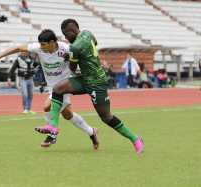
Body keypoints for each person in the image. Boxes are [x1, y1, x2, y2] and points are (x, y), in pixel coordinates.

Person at [34, 19, 144, 154]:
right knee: (58, 89)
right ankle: (53, 127)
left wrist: (68, 57)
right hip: (84, 78)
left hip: (97, 82)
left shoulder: (74, 47)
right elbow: (94, 44)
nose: (66, 39)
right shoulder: (87, 33)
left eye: (66, 35)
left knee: (106, 117)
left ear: (71, 31)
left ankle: (135, 139)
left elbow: (73, 68)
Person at [0, 29, 99, 149]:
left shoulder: (66, 49)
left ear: (52, 42)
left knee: (46, 106)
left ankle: (52, 134)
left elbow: (82, 55)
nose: (41, 47)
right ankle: (91, 132)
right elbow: (18, 48)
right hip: (51, 87)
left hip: (64, 86)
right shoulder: (39, 48)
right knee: (67, 115)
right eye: (40, 45)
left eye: (44, 45)